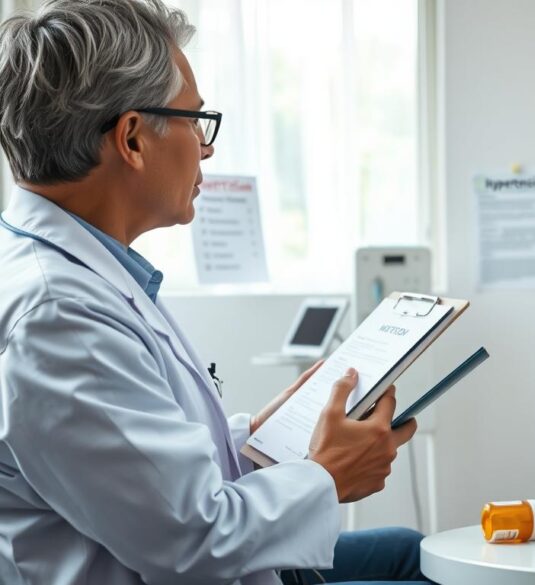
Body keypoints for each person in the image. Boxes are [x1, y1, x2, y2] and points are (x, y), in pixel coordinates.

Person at [0, 1, 432, 583]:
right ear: (133, 139)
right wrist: (330, 475)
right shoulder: (60, 314)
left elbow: (141, 467)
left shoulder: (81, 270)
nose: (206, 148)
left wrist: (258, 439)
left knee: (407, 551)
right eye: (195, 120)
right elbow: (193, 541)